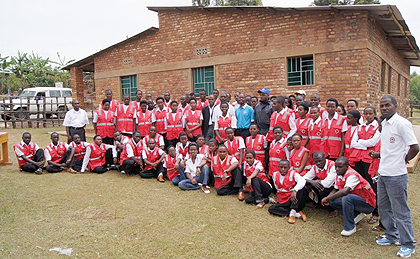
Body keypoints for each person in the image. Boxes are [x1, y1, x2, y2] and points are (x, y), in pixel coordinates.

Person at [374, 95, 418, 258]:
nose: (384, 108)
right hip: (383, 173)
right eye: (382, 106)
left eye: (387, 105)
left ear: (395, 106)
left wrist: (403, 161)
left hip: (397, 175)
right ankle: (392, 235)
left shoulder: (402, 124)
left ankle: (408, 243)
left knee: (400, 210)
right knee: (384, 208)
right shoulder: (384, 124)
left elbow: (415, 147)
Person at [321, 157, 376, 237]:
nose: (337, 169)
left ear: (346, 167)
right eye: (336, 166)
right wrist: (327, 199)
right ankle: (355, 216)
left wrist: (327, 198)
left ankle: (350, 227)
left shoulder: (352, 175)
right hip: (355, 200)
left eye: (340, 167)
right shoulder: (339, 174)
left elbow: (345, 191)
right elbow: (336, 189)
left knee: (346, 198)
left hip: (367, 204)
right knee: (332, 201)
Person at [268, 159, 307, 224]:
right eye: (281, 167)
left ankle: (292, 213)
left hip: (294, 200)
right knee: (271, 209)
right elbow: (277, 188)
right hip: (284, 201)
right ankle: (296, 214)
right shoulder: (275, 175)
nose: (283, 169)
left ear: (289, 168)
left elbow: (303, 181)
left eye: (285, 167)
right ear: (278, 167)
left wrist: (295, 190)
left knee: (301, 189)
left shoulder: (293, 174)